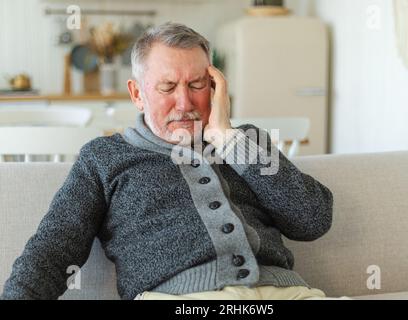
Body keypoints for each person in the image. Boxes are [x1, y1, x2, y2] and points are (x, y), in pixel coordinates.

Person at [2, 22, 336, 300]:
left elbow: (313, 218)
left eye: (197, 84)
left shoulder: (247, 142)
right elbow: (52, 249)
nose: (184, 101)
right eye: (167, 87)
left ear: (217, 87)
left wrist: (227, 139)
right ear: (137, 94)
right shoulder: (104, 158)